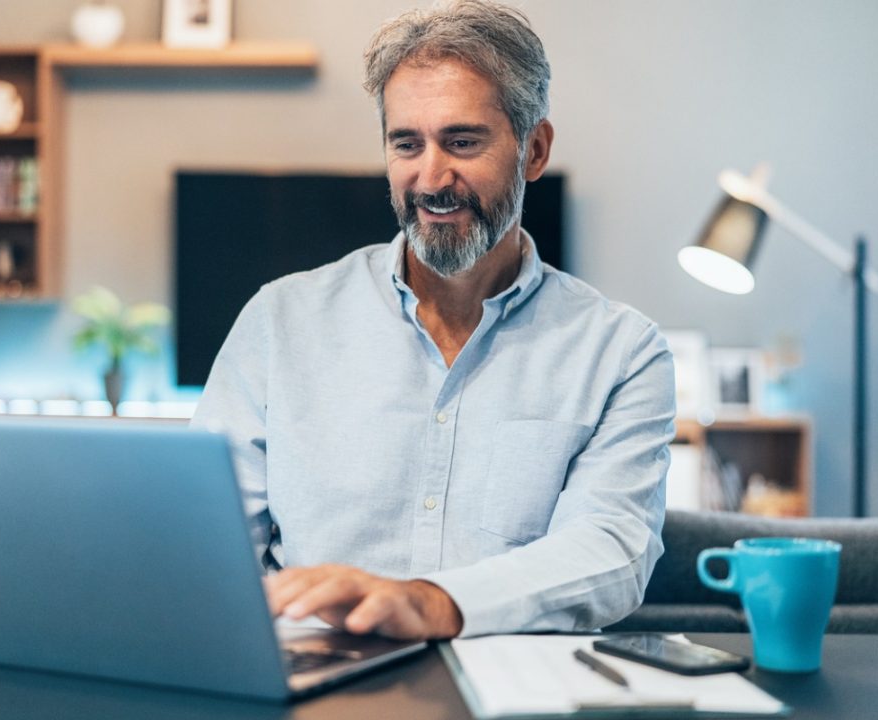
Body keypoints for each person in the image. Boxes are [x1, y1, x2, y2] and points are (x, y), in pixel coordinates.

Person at [191, 0, 675, 641]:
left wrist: (431, 603)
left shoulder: (622, 352)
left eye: (463, 141)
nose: (431, 177)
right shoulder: (279, 321)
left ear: (534, 150)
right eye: (406, 144)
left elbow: (611, 551)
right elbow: (206, 542)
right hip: (317, 679)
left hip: (512, 690)